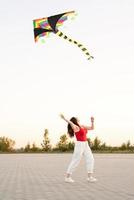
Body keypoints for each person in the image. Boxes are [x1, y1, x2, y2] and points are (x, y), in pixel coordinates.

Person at [60, 113, 97, 183]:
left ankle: (90, 177)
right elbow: (70, 123)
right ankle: (67, 177)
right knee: (75, 160)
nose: (78, 117)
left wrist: (92, 121)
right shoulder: (76, 127)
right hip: (79, 145)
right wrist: (64, 118)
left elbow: (92, 128)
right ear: (75, 121)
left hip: (85, 144)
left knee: (91, 158)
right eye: (76, 118)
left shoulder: (82, 126)